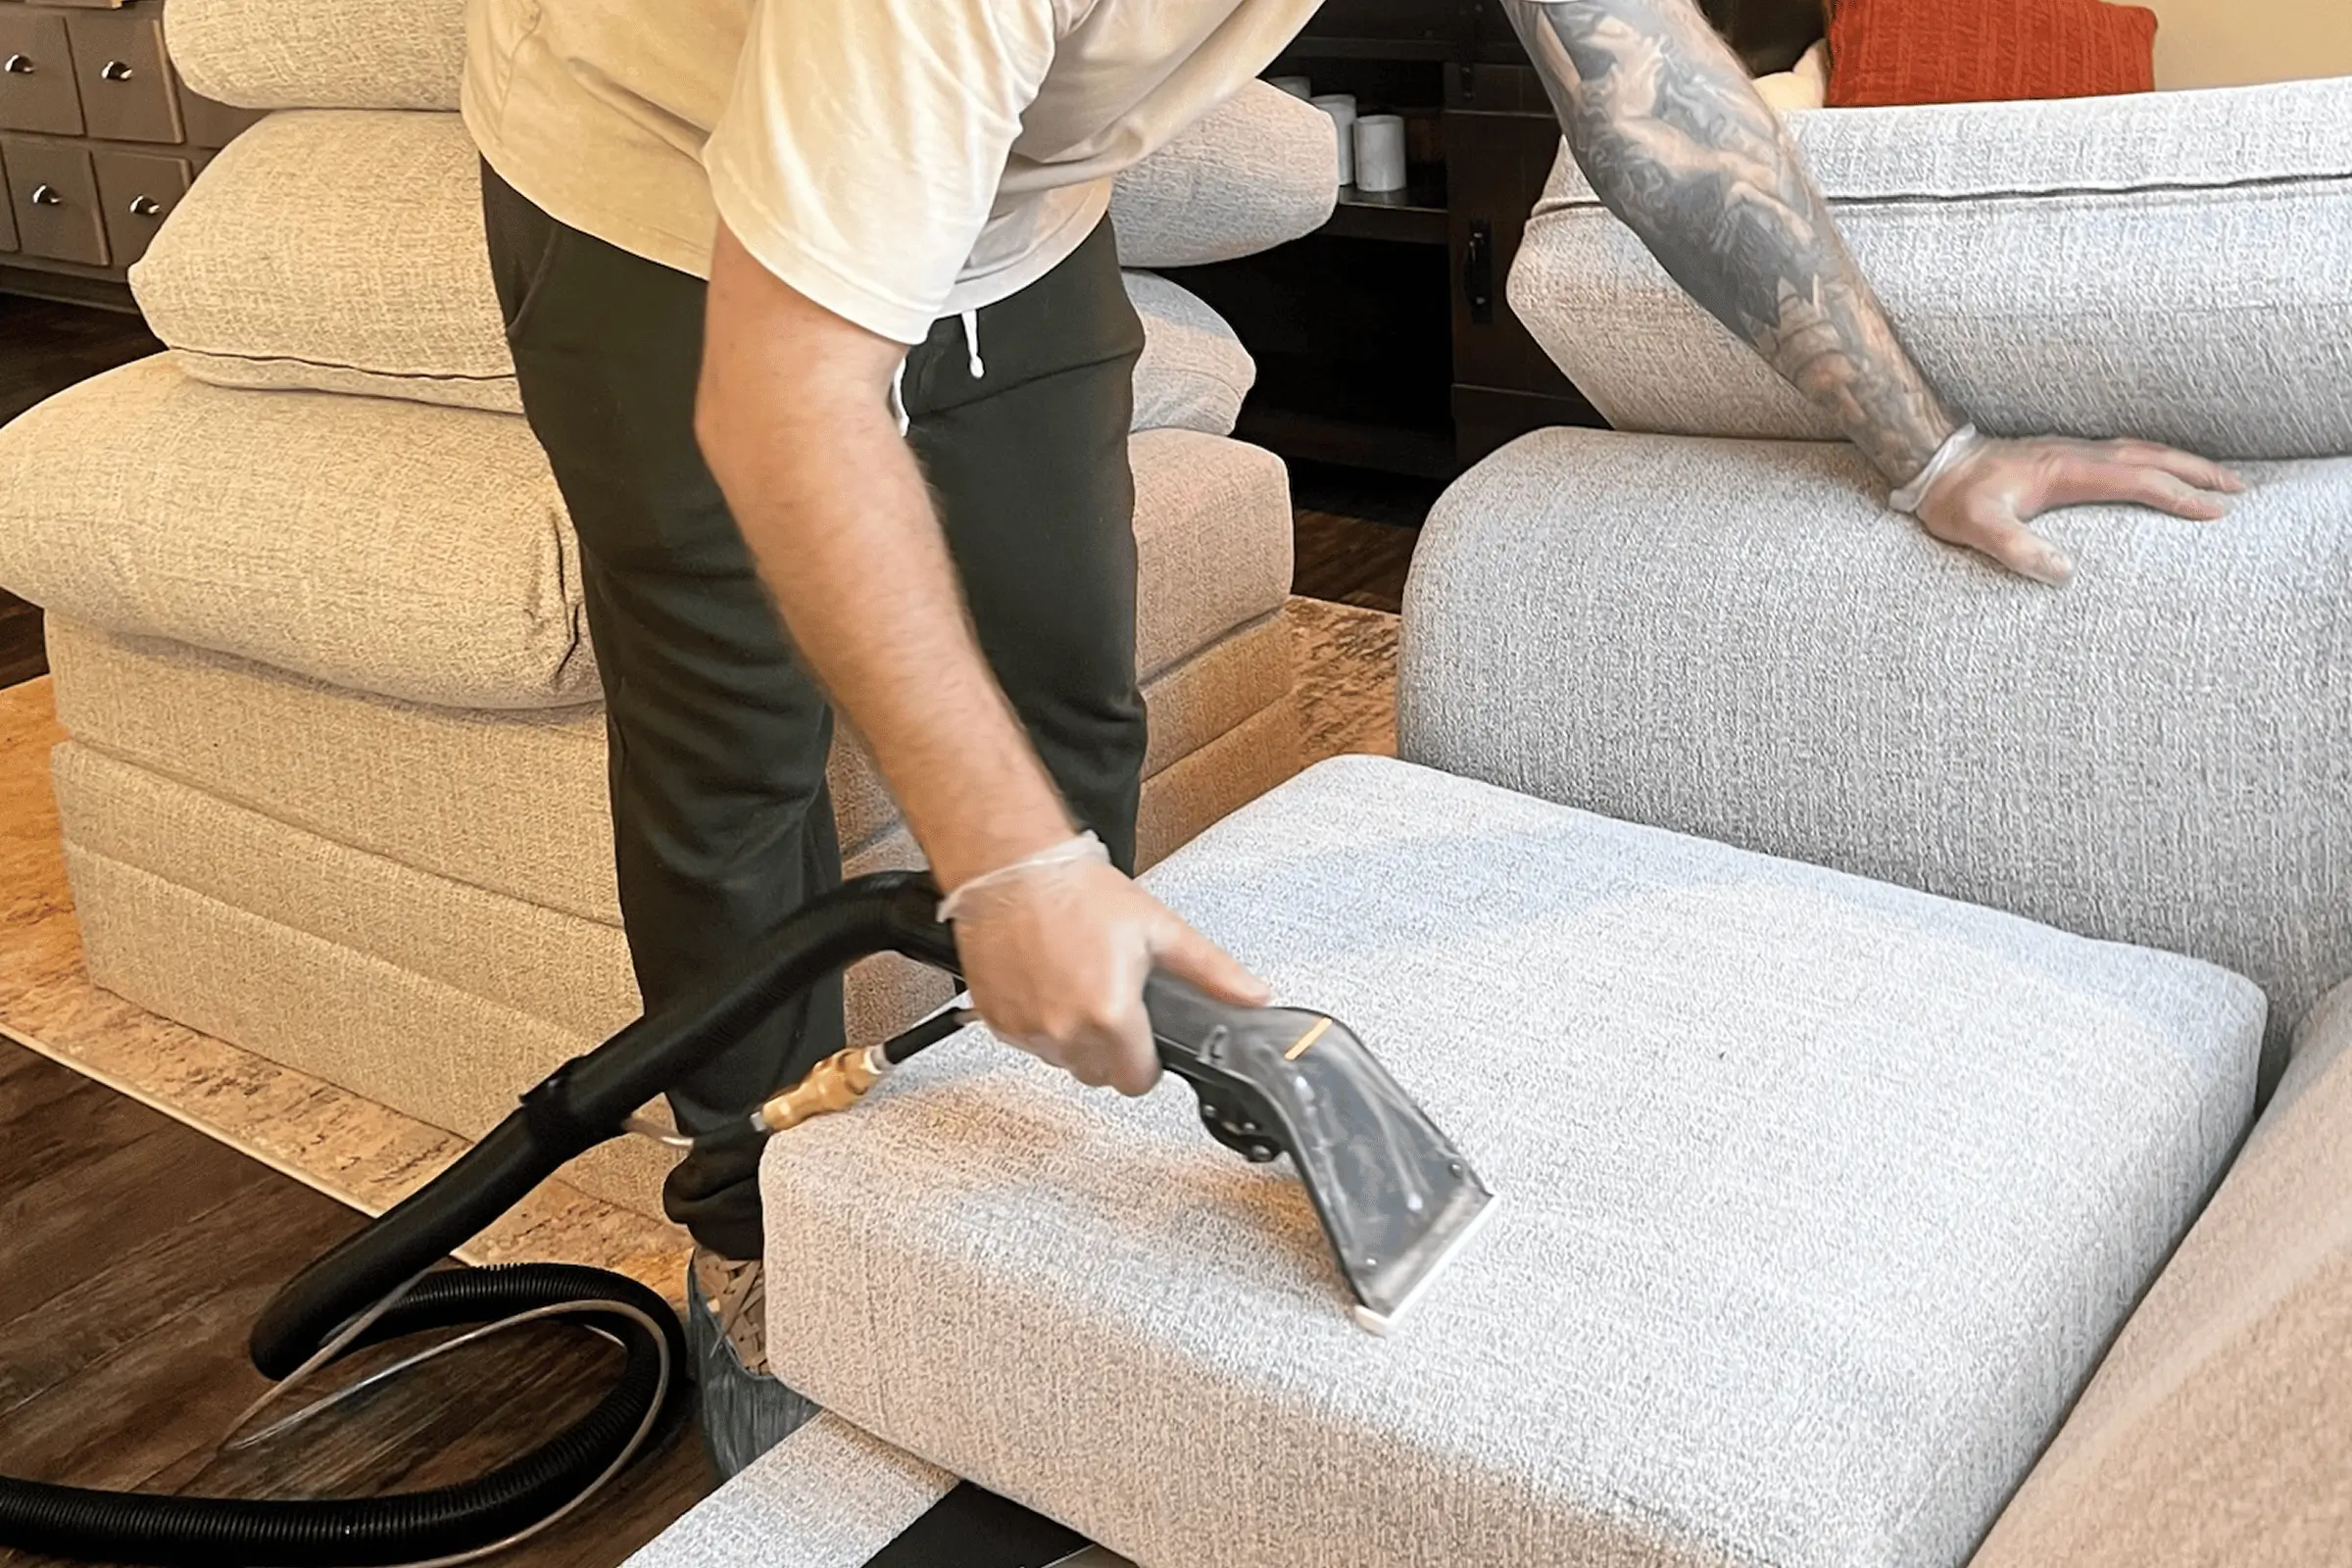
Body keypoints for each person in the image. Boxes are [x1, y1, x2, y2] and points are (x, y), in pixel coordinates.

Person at [464, 0, 2240, 1474]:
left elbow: (1656, 93)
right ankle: (754, 1228)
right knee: (737, 749)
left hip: (1017, 207)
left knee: (1069, 686)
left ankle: (993, 1125)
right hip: (655, 189)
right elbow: (786, 396)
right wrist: (1004, 866)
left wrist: (1932, 451)